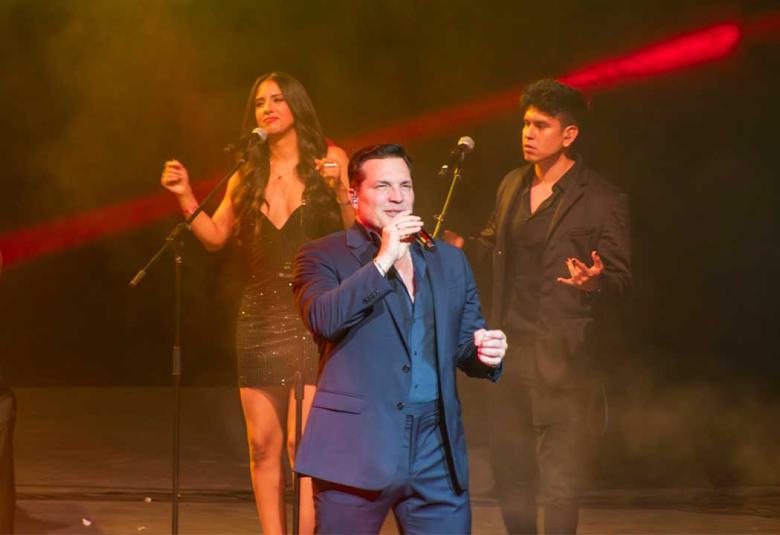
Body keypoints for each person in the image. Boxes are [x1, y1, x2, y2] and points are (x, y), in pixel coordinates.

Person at [160, 71, 353, 535]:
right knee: (262, 444)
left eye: (278, 100)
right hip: (260, 315)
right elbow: (215, 236)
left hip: (313, 312)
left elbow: (356, 235)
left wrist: (340, 188)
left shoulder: (330, 159)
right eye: (261, 102)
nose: (268, 108)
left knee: (302, 445)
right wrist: (186, 197)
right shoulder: (248, 172)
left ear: (297, 107)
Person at [292, 144, 507, 534]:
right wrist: (383, 260)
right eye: (383, 186)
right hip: (356, 449)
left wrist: (486, 353)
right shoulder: (323, 255)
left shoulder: (447, 259)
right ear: (354, 195)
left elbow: (463, 344)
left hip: (434, 450)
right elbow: (323, 319)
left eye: (405, 186)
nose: (397, 197)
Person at [471, 79, 631, 534]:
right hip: (510, 350)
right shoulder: (510, 186)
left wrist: (595, 282)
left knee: (560, 479)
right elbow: (489, 247)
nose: (528, 133)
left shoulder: (602, 199)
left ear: (569, 135)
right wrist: (452, 244)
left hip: (564, 355)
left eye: (541, 125)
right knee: (510, 469)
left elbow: (620, 278)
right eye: (525, 123)